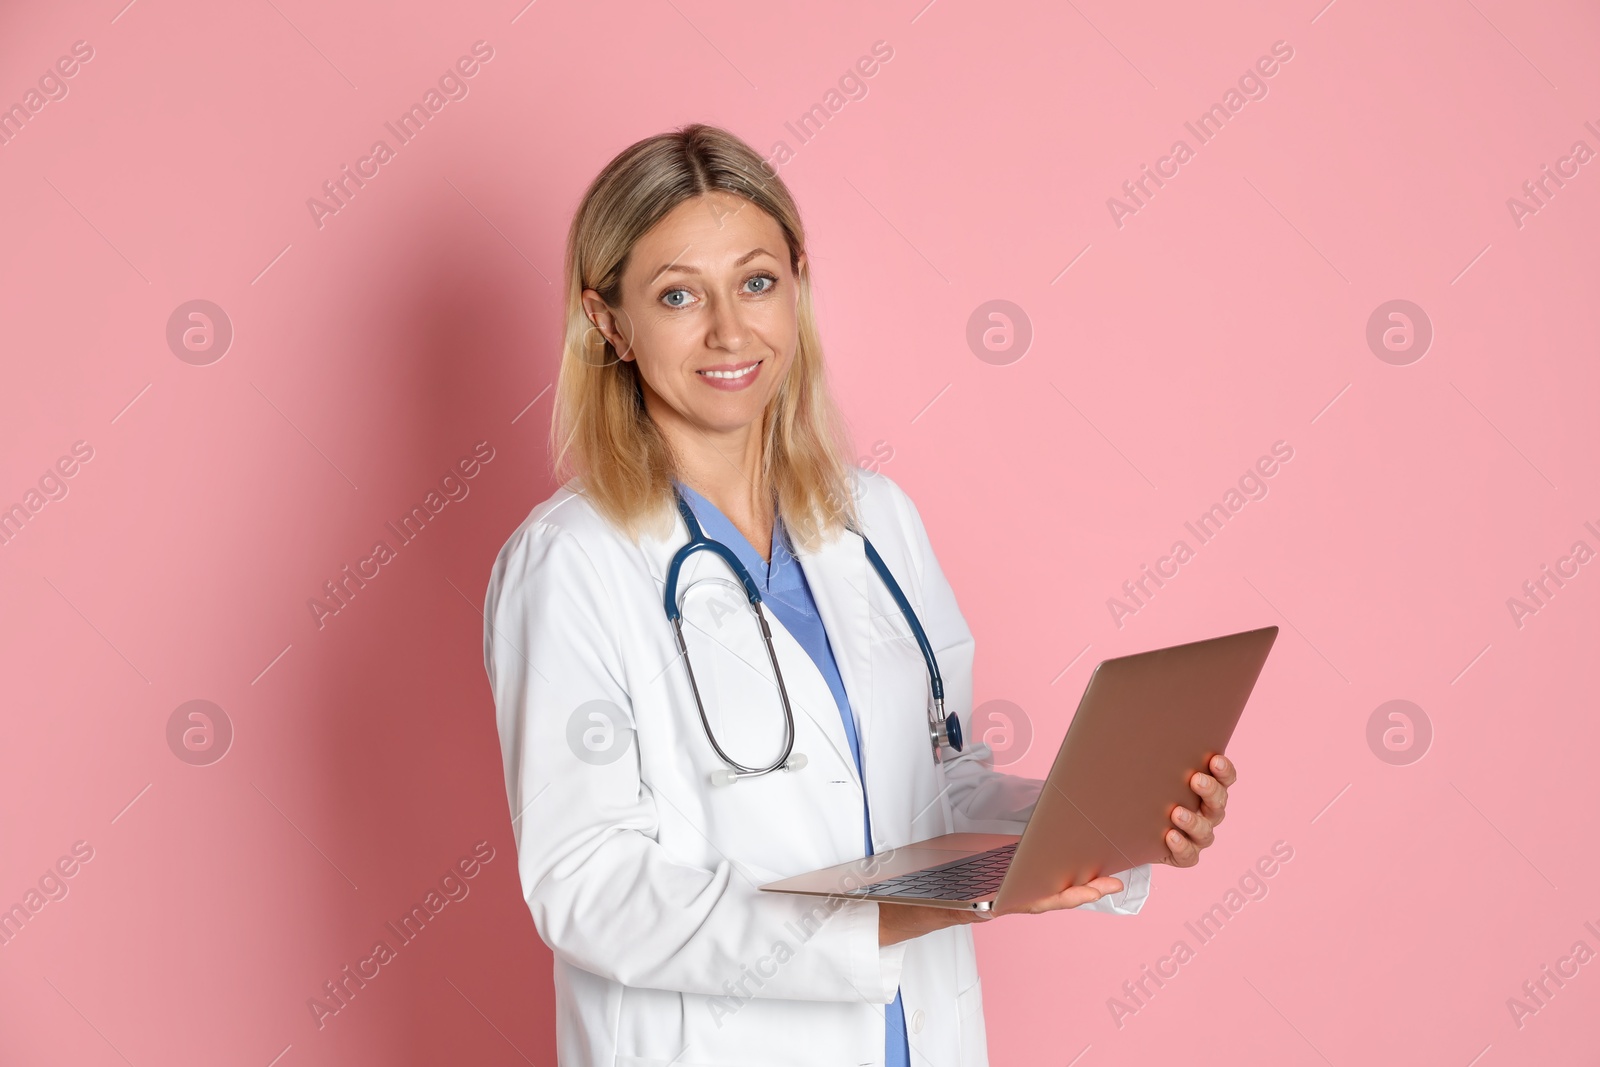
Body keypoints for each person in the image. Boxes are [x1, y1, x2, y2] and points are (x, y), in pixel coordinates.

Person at [482, 123, 1236, 1067]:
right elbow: (588, 887)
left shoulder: (874, 520)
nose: (729, 330)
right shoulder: (571, 562)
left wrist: (1104, 824)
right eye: (678, 294)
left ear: (797, 283)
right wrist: (875, 923)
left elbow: (940, 782)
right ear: (609, 322)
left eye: (757, 281)